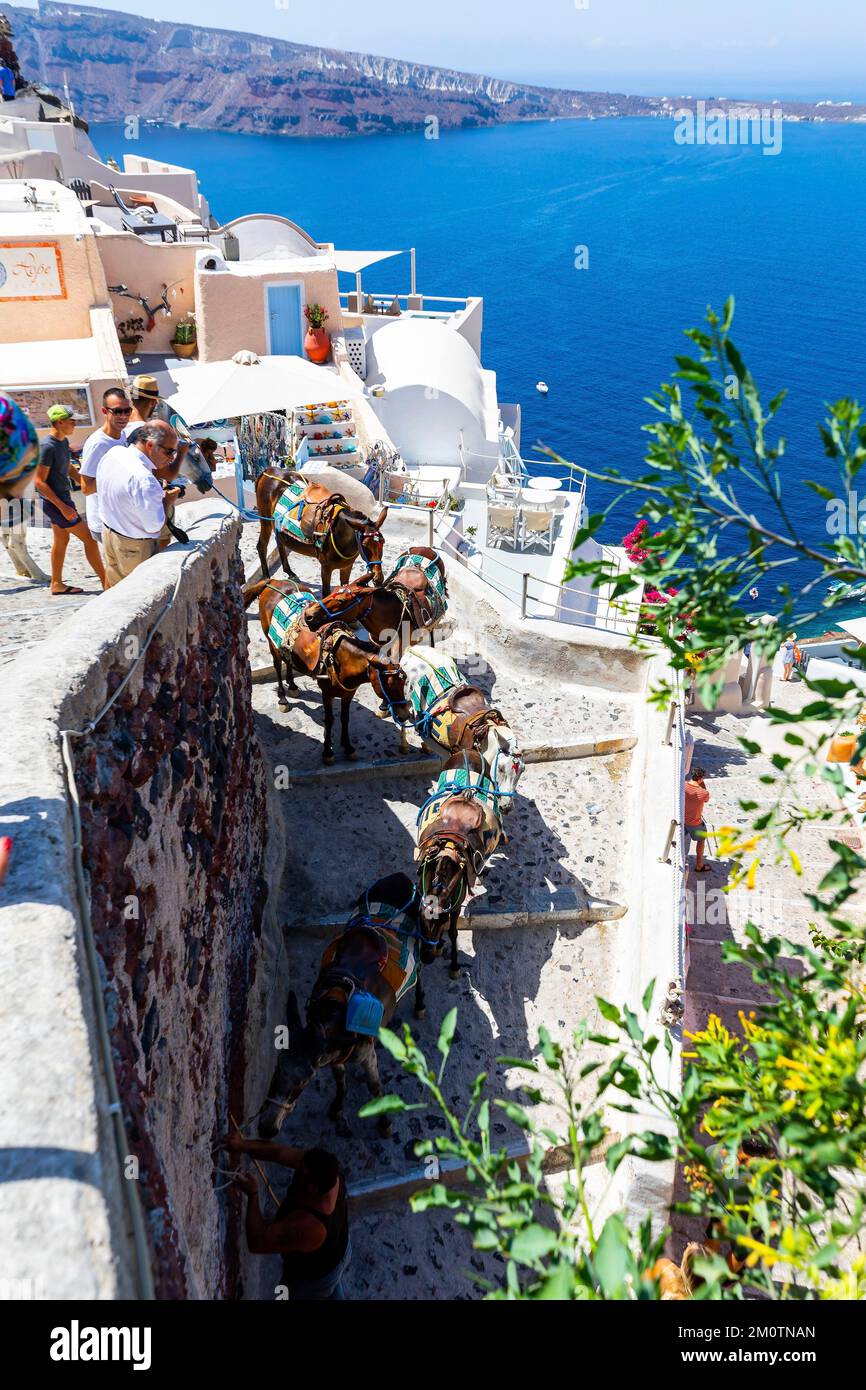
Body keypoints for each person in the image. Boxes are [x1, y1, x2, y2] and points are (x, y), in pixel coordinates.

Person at [223, 1135, 351, 1301]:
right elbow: (279, 1153)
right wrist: (242, 1145)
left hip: (315, 1278)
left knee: (288, 1294)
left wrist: (253, 1194)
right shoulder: (327, 1172)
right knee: (332, 1288)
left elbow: (258, 1241)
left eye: (301, 1173)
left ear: (312, 1188)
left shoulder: (308, 1227)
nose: (297, 1169)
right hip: (338, 1252)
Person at [96, 420, 181, 587]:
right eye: (169, 452)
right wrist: (167, 501)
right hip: (134, 547)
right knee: (137, 592)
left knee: (114, 590)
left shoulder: (114, 453)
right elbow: (154, 526)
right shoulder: (144, 479)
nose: (172, 458)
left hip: (109, 533)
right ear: (150, 445)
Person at [34, 404, 106, 596]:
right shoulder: (47, 447)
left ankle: (56, 584)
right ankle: (107, 583)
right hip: (55, 502)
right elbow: (39, 482)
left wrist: (85, 483)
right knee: (90, 539)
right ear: (59, 422)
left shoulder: (62, 442)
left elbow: (68, 468)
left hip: (62, 500)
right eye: (72, 420)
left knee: (61, 540)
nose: (75, 423)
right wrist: (63, 507)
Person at [79, 387, 132, 538]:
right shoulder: (98, 444)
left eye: (127, 411)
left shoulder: (122, 435)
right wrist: (116, 473)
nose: (123, 416)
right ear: (104, 411)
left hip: (119, 519)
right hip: (105, 524)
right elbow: (86, 488)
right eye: (117, 411)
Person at [684, 764, 711, 873]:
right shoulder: (704, 792)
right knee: (701, 839)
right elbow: (706, 799)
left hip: (682, 820)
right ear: (701, 778)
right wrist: (702, 784)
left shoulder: (683, 785)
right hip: (695, 823)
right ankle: (699, 865)